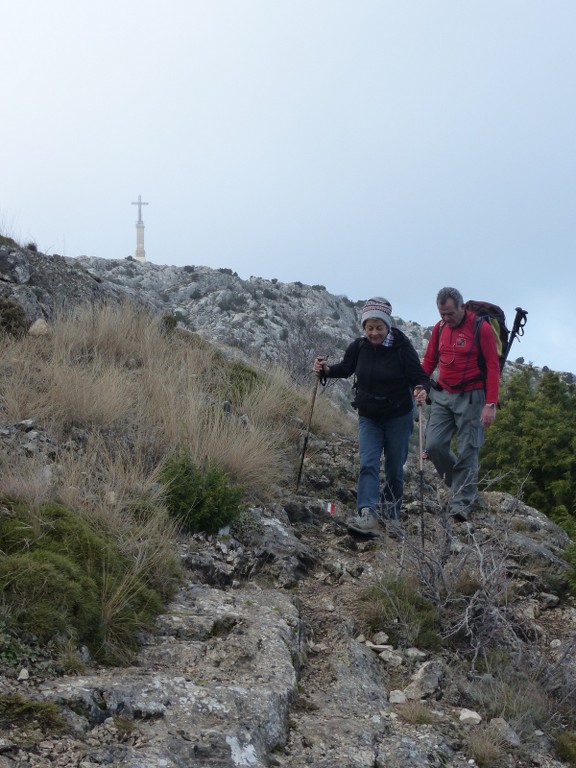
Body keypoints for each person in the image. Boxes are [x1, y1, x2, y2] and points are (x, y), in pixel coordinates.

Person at [313, 297, 430, 538]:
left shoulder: (401, 347)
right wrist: (326, 370)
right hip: (369, 415)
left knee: (395, 467)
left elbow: (419, 375)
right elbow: (346, 368)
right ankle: (367, 514)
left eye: (379, 328)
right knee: (368, 463)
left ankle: (391, 516)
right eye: (369, 328)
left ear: (388, 325)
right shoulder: (358, 346)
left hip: (398, 415)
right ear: (364, 327)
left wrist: (421, 388)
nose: (374, 333)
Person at [421, 287, 500, 521]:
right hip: (443, 394)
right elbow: (429, 360)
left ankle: (461, 503)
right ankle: (462, 486)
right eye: (441, 314)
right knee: (434, 445)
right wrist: (419, 385)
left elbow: (493, 366)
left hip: (472, 397)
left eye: (450, 314)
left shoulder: (480, 328)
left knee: (468, 449)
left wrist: (491, 404)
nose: (445, 319)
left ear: (462, 308)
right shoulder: (440, 328)